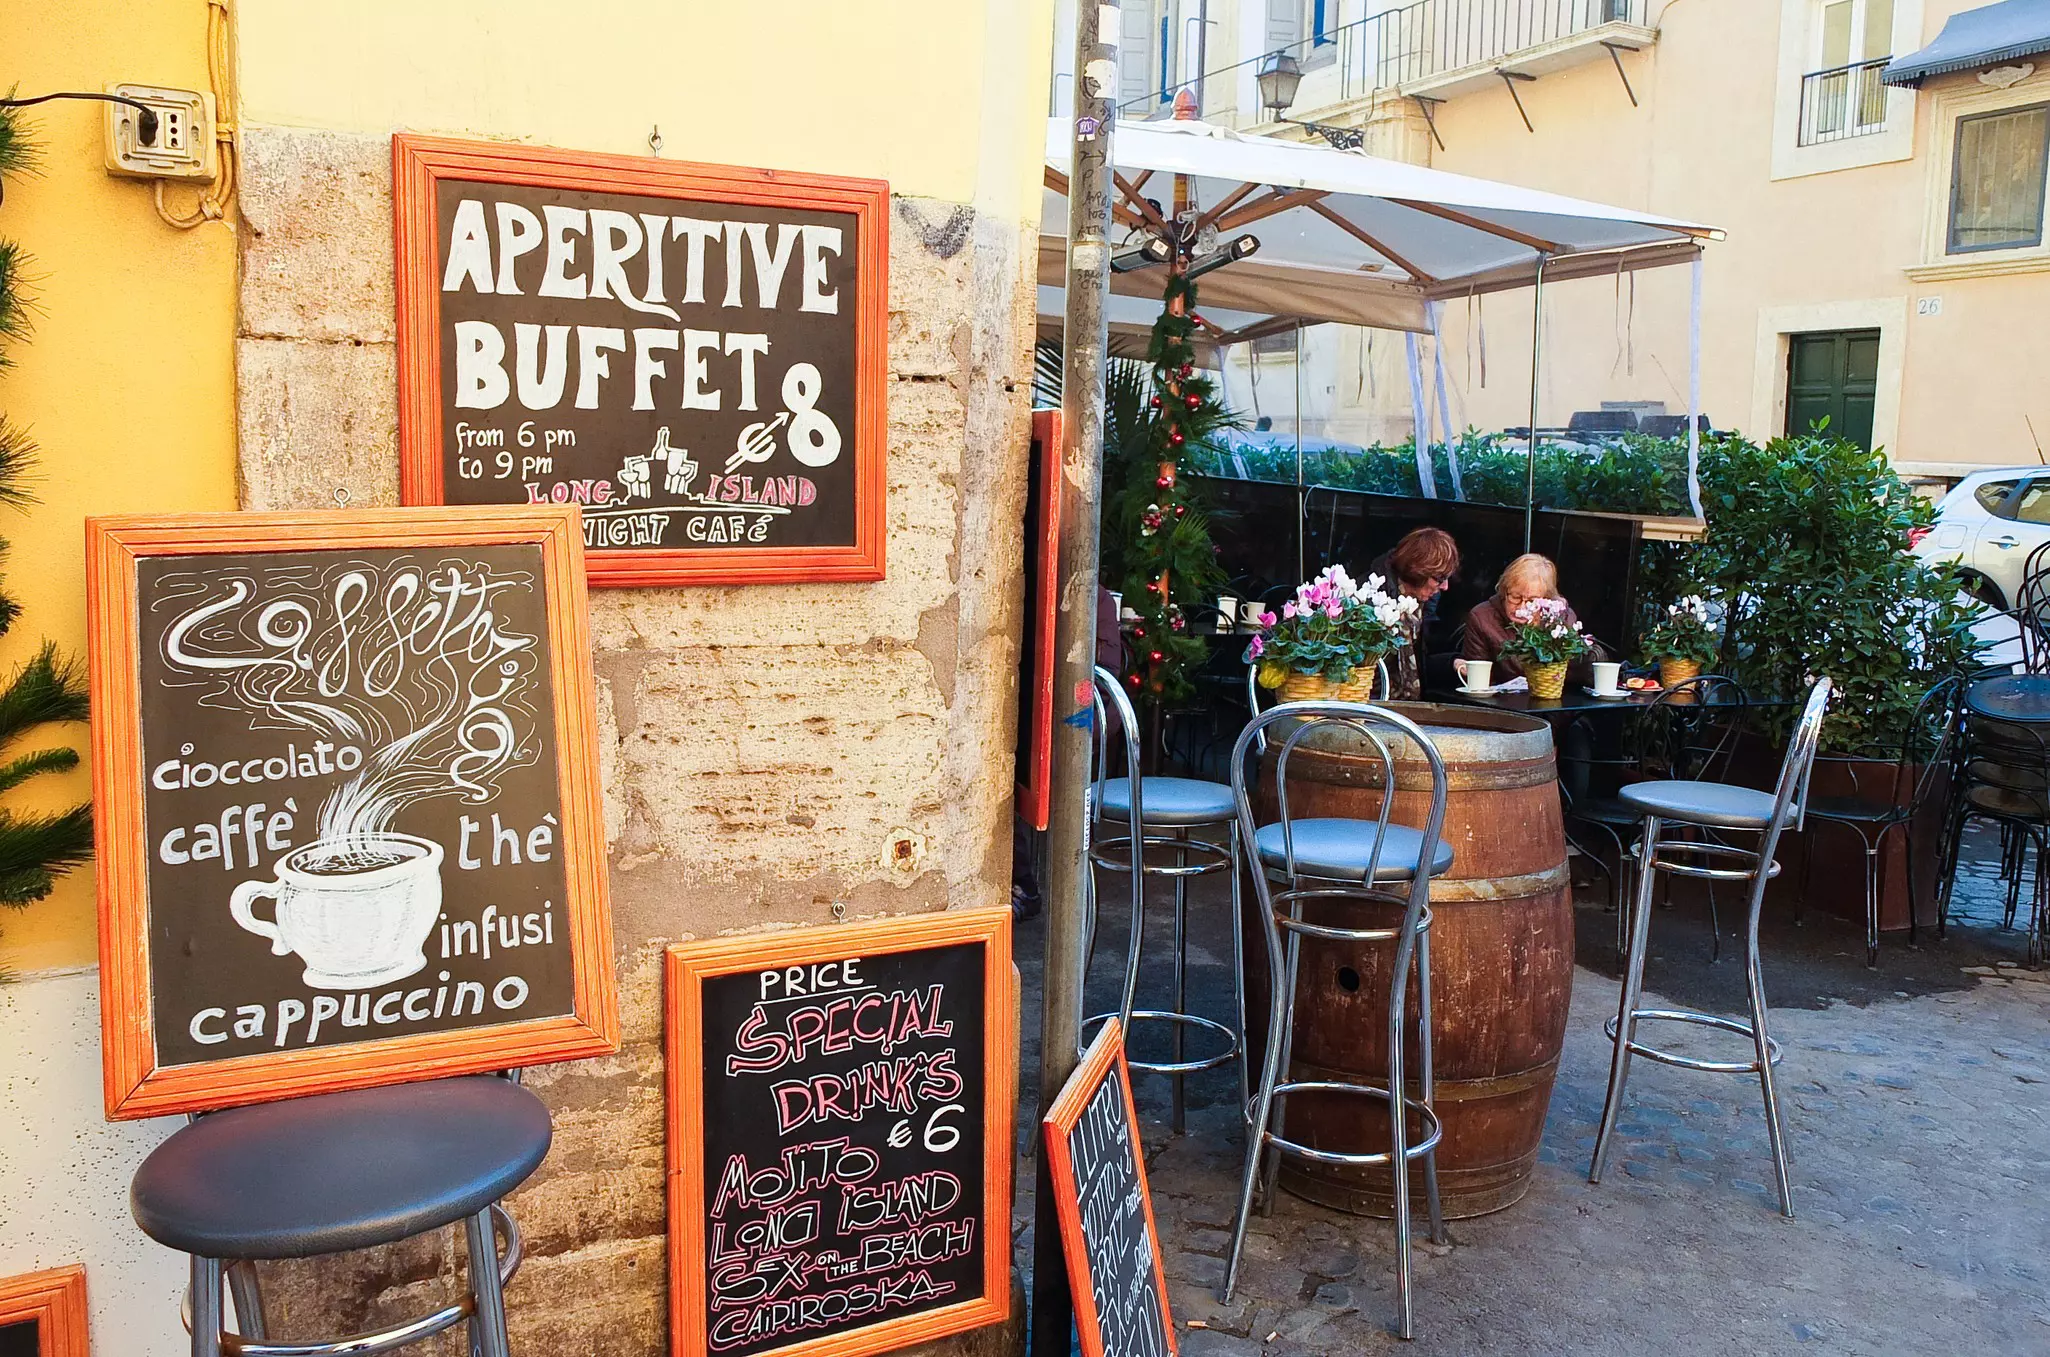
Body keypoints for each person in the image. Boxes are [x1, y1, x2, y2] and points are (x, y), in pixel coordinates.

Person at [1461, 553, 1606, 684]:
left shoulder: (1561, 618)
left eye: (1532, 601)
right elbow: (1476, 679)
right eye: (1515, 597)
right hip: (1501, 706)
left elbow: (1569, 674)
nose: (1522, 607)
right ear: (1504, 591)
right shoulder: (1482, 618)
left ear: (1546, 599)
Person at [1370, 527, 1461, 700]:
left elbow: (1418, 666)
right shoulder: (1371, 600)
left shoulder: (1421, 604)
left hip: (1406, 708)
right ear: (1417, 571)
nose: (1445, 586)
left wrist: (1452, 663)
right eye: (1439, 579)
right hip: (1375, 709)